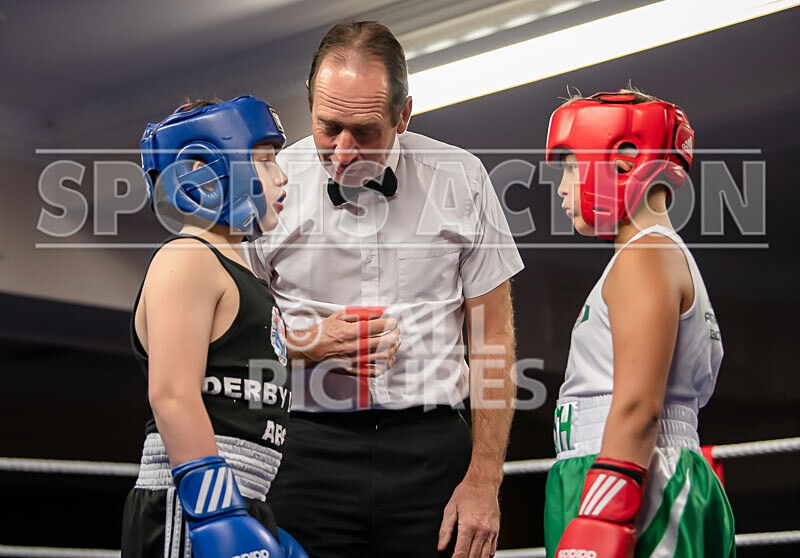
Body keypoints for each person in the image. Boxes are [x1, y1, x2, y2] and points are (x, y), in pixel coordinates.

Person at [247, 21, 524, 558]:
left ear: (404, 115)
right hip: (304, 449)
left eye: (366, 131)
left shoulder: (461, 177)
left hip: (432, 451)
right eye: (329, 128)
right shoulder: (269, 186)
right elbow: (235, 337)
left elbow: (493, 338)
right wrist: (311, 345)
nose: (344, 151)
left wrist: (486, 481)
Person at [544, 90, 735, 557]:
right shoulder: (649, 255)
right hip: (621, 468)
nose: (563, 188)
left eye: (571, 165)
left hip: (634, 475)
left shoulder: (645, 256)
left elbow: (637, 407)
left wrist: (603, 516)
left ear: (625, 160)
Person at [121, 96, 306, 558]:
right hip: (192, 505)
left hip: (240, 498)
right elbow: (172, 395)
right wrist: (217, 514)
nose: (282, 175)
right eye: (264, 158)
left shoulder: (238, 271)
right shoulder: (186, 259)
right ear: (204, 172)